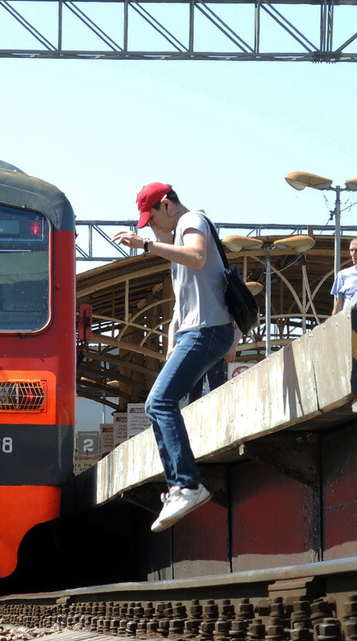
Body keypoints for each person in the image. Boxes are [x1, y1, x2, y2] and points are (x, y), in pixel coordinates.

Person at [112, 183, 236, 533]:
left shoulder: (190, 221)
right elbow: (188, 296)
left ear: (166, 205)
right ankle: (179, 486)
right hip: (193, 333)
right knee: (157, 405)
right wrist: (173, 337)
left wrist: (148, 246)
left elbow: (197, 256)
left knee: (160, 401)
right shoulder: (176, 236)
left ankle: (187, 485)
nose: (150, 228)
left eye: (150, 219)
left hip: (208, 331)